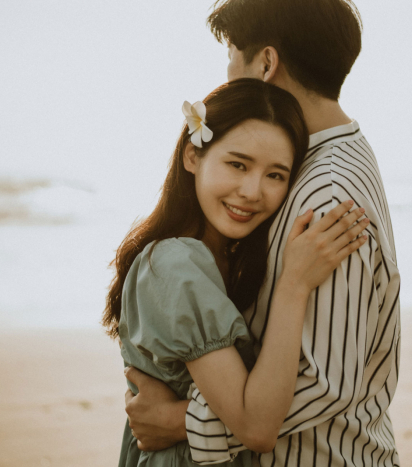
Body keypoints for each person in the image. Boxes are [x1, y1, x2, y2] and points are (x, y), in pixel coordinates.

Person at [123, 1, 402, 466]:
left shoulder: (326, 197)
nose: (229, 75)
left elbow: (322, 379)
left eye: (232, 56)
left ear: (266, 63)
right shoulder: (329, 160)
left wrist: (178, 422)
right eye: (238, 164)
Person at [103, 78, 370, 466]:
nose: (251, 190)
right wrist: (294, 284)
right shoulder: (175, 265)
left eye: (275, 175)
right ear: (192, 157)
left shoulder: (231, 258)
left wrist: (175, 419)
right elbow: (257, 427)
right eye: (237, 164)